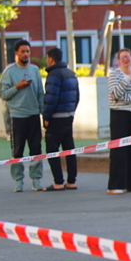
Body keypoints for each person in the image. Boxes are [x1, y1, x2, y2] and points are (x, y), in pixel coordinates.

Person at [0, 40, 45, 192]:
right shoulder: (10, 72)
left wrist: (43, 113)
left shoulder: (35, 70)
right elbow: (3, 94)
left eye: (28, 51)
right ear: (16, 53)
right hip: (17, 116)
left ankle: (36, 179)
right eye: (23, 51)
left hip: (33, 115)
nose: (26, 54)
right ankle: (18, 180)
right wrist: (17, 87)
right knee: (17, 150)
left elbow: (40, 93)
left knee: (36, 149)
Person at [107, 48, 131, 195]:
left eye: (127, 56)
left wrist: (124, 96)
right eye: (122, 57)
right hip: (119, 114)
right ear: (118, 60)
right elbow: (115, 93)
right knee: (119, 149)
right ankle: (115, 184)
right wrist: (126, 80)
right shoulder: (114, 75)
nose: (125, 59)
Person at [42, 47, 80, 192]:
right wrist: (71, 111)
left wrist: (46, 116)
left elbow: (51, 97)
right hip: (68, 115)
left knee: (52, 150)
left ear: (51, 58)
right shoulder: (71, 73)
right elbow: (77, 96)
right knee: (69, 148)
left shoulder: (53, 75)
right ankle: (72, 181)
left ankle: (58, 182)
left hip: (56, 117)